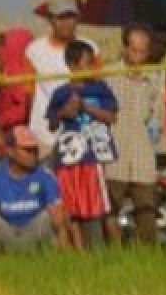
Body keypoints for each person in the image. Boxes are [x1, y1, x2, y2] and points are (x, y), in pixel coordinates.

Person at [46, 40, 119, 249]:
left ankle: (100, 250)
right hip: (69, 158)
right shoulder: (61, 92)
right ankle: (77, 251)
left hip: (93, 156)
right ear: (72, 65)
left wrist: (86, 107)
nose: (91, 68)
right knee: (71, 205)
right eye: (87, 63)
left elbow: (111, 117)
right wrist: (63, 113)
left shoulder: (100, 88)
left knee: (96, 205)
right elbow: (52, 124)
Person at [104, 22, 166, 245]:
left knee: (146, 211)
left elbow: (158, 115)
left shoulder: (156, 77)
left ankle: (149, 257)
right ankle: (112, 253)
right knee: (110, 208)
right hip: (115, 154)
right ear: (124, 48)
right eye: (133, 50)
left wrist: (159, 144)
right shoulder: (109, 75)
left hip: (143, 154)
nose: (138, 56)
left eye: (143, 51)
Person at [0, 126, 70, 252]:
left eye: (34, 150)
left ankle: (57, 258)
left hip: (34, 233)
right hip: (6, 233)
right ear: (10, 151)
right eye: (27, 150)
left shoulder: (45, 175)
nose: (32, 155)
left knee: (53, 215)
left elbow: (59, 218)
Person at [27, 0, 99, 150]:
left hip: (82, 135)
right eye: (60, 17)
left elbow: (99, 85)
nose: (66, 23)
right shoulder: (34, 50)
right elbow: (28, 93)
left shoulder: (91, 48)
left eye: (70, 17)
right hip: (43, 136)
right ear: (50, 19)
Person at [0, 27, 35, 132]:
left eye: (1, 45)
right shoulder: (21, 68)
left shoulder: (16, 72)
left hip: (14, 130)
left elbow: (22, 109)